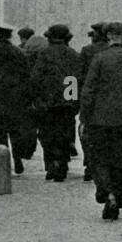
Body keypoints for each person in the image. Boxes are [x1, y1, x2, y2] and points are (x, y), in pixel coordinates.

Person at [79, 21, 122, 220]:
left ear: (108, 37)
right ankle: (117, 197)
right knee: (120, 161)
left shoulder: (98, 58)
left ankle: (107, 193)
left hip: (100, 118)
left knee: (100, 158)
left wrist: (82, 115)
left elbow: (87, 89)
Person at [30, 23, 83, 182]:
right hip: (66, 101)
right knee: (65, 132)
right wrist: (72, 101)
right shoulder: (73, 54)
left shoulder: (44, 54)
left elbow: (36, 78)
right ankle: (63, 164)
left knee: (47, 133)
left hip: (48, 102)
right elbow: (74, 79)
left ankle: (51, 165)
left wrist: (38, 98)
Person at [0, 25, 34, 175]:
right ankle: (17, 159)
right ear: (10, 36)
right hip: (16, 99)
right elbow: (27, 77)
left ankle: (3, 163)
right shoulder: (19, 53)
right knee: (15, 131)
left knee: (0, 131)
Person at [78, 23, 109, 182]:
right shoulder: (116, 51)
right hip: (112, 103)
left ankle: (90, 166)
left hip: (91, 101)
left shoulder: (87, 51)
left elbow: (77, 77)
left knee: (88, 134)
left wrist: (72, 99)